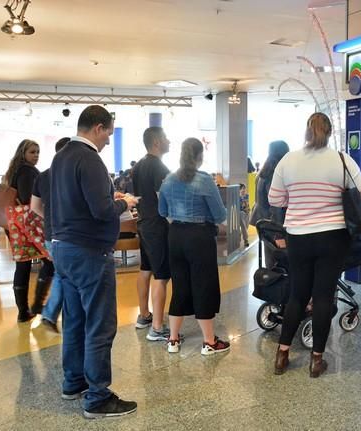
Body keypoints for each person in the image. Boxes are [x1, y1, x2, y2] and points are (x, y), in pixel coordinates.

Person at [50, 105, 138, 418]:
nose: (108, 141)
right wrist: (122, 202)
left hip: (63, 247)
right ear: (98, 127)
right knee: (100, 324)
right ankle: (98, 397)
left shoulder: (61, 157)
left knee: (74, 321)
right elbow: (101, 210)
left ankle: (73, 382)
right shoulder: (89, 159)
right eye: (109, 134)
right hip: (89, 251)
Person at [269, 113, 361, 378]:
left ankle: (282, 355)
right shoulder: (341, 159)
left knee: (297, 295)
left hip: (298, 237)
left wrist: (301, 199)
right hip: (333, 237)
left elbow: (275, 199)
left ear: (307, 130)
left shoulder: (288, 160)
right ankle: (316, 361)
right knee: (324, 296)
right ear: (329, 132)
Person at [158, 138, 229, 356]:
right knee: (203, 286)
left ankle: (173, 339)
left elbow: (162, 211)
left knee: (180, 286)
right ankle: (209, 342)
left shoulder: (168, 180)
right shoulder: (204, 180)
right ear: (199, 156)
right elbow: (220, 215)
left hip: (175, 237)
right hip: (199, 237)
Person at [3, 139, 55, 323]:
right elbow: (27, 199)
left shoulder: (14, 171)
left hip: (16, 223)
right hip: (29, 222)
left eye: (38, 152)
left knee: (23, 264)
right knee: (49, 261)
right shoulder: (27, 171)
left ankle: (23, 311)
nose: (36, 156)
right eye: (32, 152)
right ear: (23, 153)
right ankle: (37, 305)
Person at [131, 127, 173, 342]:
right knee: (162, 275)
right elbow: (163, 202)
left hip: (144, 223)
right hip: (158, 226)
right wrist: (174, 225)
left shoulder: (138, 165)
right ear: (157, 142)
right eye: (166, 137)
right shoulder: (159, 167)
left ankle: (144, 315)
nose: (169, 141)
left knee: (146, 268)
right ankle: (157, 328)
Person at [30, 137, 71, 333]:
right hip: (70, 233)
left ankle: (52, 313)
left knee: (62, 273)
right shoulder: (72, 173)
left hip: (50, 233)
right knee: (64, 275)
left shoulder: (43, 176)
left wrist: (50, 217)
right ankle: (50, 313)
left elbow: (34, 207)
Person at [249, 140, 290, 267]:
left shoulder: (264, 172)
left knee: (270, 259)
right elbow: (275, 205)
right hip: (273, 223)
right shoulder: (274, 174)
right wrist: (278, 234)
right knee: (278, 261)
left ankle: (271, 284)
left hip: (264, 221)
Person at [239, 183, 250, 248]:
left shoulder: (247, 195)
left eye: (244, 188)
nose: (244, 190)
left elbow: (247, 204)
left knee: (246, 226)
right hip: (241, 213)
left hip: (247, 212)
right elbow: (240, 206)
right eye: (242, 188)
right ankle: (246, 240)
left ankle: (240, 235)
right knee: (243, 226)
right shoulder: (237, 197)